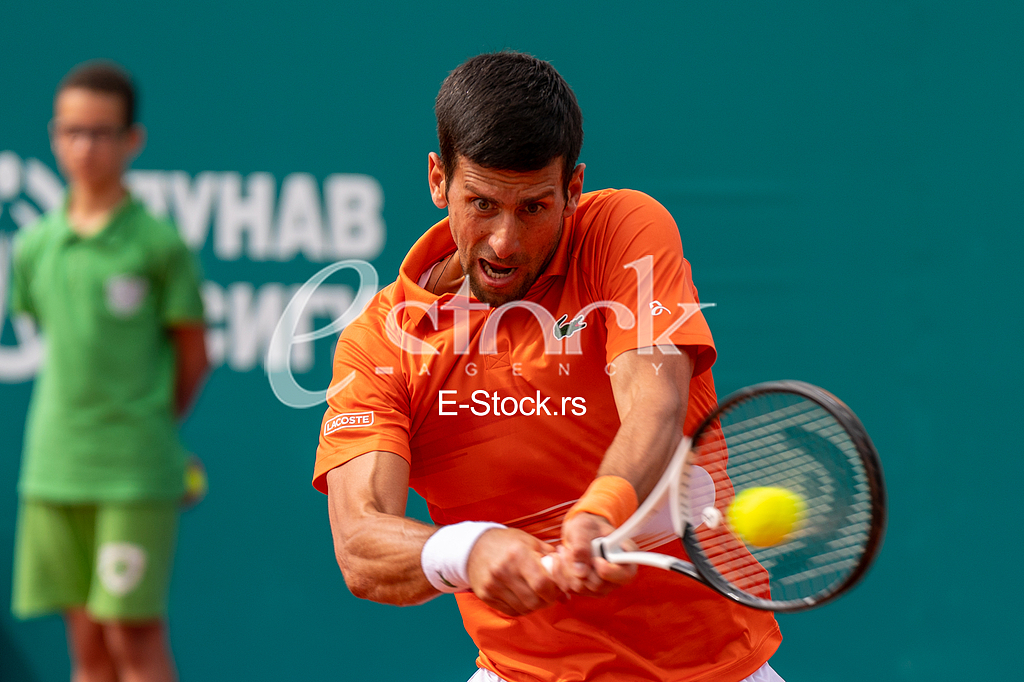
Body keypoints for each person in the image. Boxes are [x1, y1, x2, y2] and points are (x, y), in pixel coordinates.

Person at [314, 52, 783, 682]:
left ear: (573, 188)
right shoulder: (381, 344)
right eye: (481, 203)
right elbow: (360, 545)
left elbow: (656, 404)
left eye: (533, 207)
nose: (505, 241)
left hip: (717, 669)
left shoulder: (624, 230)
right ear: (436, 179)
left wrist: (601, 509)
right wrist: (468, 549)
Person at [8, 61, 207, 682]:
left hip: (132, 473)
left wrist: (142, 430)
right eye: (72, 132)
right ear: (53, 136)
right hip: (52, 469)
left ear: (131, 141)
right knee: (87, 645)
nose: (85, 146)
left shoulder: (159, 245)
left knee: (133, 638)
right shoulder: (34, 245)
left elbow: (193, 358)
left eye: (101, 132)